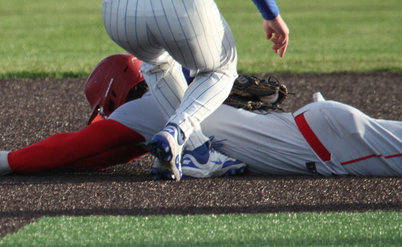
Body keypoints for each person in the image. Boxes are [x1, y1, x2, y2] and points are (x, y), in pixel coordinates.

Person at [0, 55, 402, 178]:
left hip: (324, 148)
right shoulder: (186, 79)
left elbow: (74, 148)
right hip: (316, 128)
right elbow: (102, 156)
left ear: (117, 93)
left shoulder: (147, 107)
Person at [101, 0, 290, 180]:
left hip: (117, 15)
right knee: (221, 69)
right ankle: (176, 131)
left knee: (157, 64)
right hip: (178, 9)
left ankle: (198, 152)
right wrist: (272, 15)